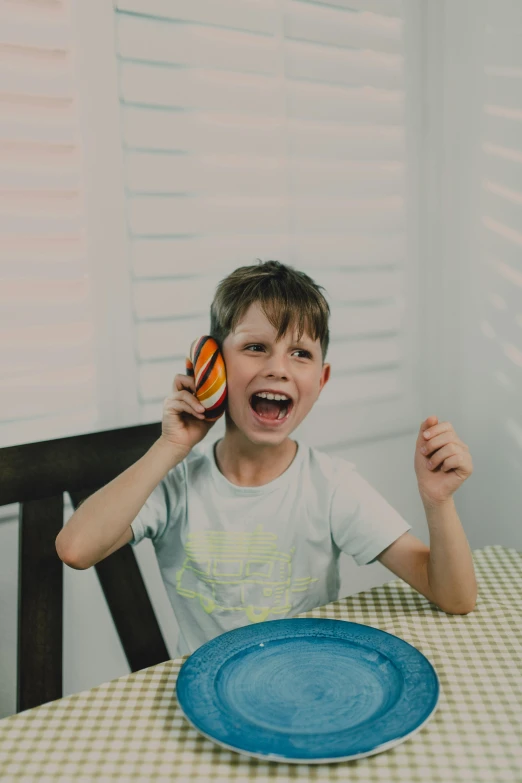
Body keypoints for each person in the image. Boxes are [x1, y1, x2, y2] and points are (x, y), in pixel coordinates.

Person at [56, 260, 477, 657]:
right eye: (256, 347)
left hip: (301, 681)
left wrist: (437, 502)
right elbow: (75, 548)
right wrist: (170, 447)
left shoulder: (330, 487)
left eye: (300, 354)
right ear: (211, 367)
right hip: (208, 694)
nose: (278, 368)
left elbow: (454, 596)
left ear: (321, 379)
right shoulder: (177, 485)